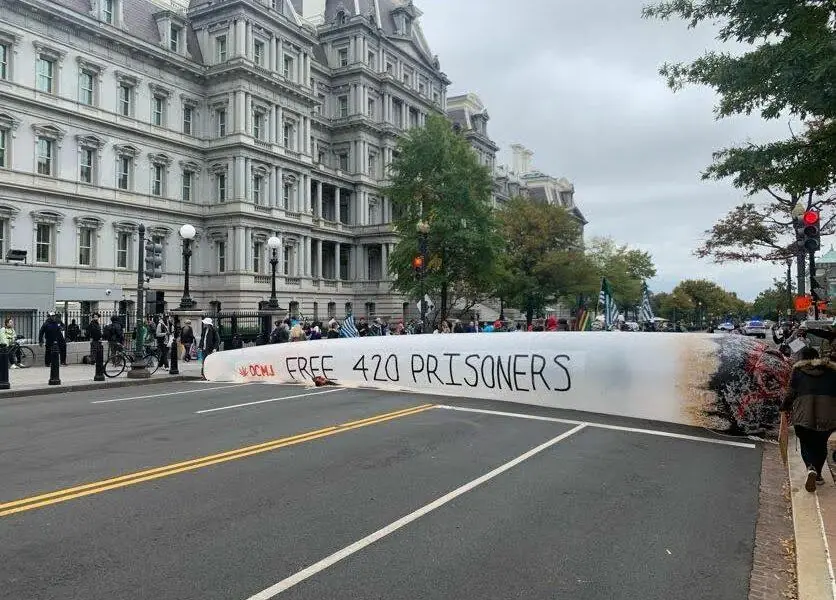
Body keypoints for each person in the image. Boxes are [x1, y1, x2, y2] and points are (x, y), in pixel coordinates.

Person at [780, 346, 836, 492]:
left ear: (802, 358)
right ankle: (818, 475)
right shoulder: (832, 371)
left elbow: (791, 393)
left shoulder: (798, 371)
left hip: (804, 413)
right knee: (821, 443)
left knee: (806, 442)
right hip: (828, 414)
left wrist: (784, 407)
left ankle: (810, 467)